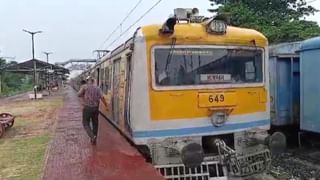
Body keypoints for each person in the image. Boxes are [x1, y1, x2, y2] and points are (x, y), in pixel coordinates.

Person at [78, 77, 107, 145]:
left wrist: (83, 94)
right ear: (93, 81)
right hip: (95, 108)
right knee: (95, 124)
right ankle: (94, 139)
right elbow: (102, 97)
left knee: (85, 123)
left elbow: (78, 94)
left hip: (87, 108)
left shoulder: (85, 87)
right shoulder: (97, 88)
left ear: (88, 81)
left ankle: (92, 136)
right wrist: (106, 105)